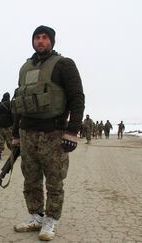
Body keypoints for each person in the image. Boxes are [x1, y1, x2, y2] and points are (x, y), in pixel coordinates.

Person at [11, 25, 84, 241]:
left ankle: (51, 220)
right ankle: (36, 216)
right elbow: (19, 103)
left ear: (51, 41)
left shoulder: (64, 65)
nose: (40, 41)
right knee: (30, 180)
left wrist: (72, 132)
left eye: (44, 38)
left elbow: (77, 98)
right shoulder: (25, 68)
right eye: (37, 38)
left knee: (54, 181)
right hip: (27, 133)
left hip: (53, 133)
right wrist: (15, 134)